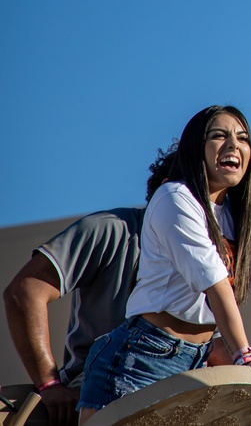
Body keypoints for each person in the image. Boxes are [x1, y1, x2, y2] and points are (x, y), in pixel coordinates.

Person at [77, 105, 251, 424]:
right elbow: (215, 285)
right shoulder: (175, 198)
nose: (234, 144)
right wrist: (246, 359)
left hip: (196, 362)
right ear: (196, 148)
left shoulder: (238, 221)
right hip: (140, 358)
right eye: (219, 135)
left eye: (243, 138)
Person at [2, 149, 175, 426]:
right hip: (97, 390)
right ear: (167, 190)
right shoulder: (113, 230)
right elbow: (25, 291)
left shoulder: (208, 253)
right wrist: (49, 385)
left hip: (174, 392)